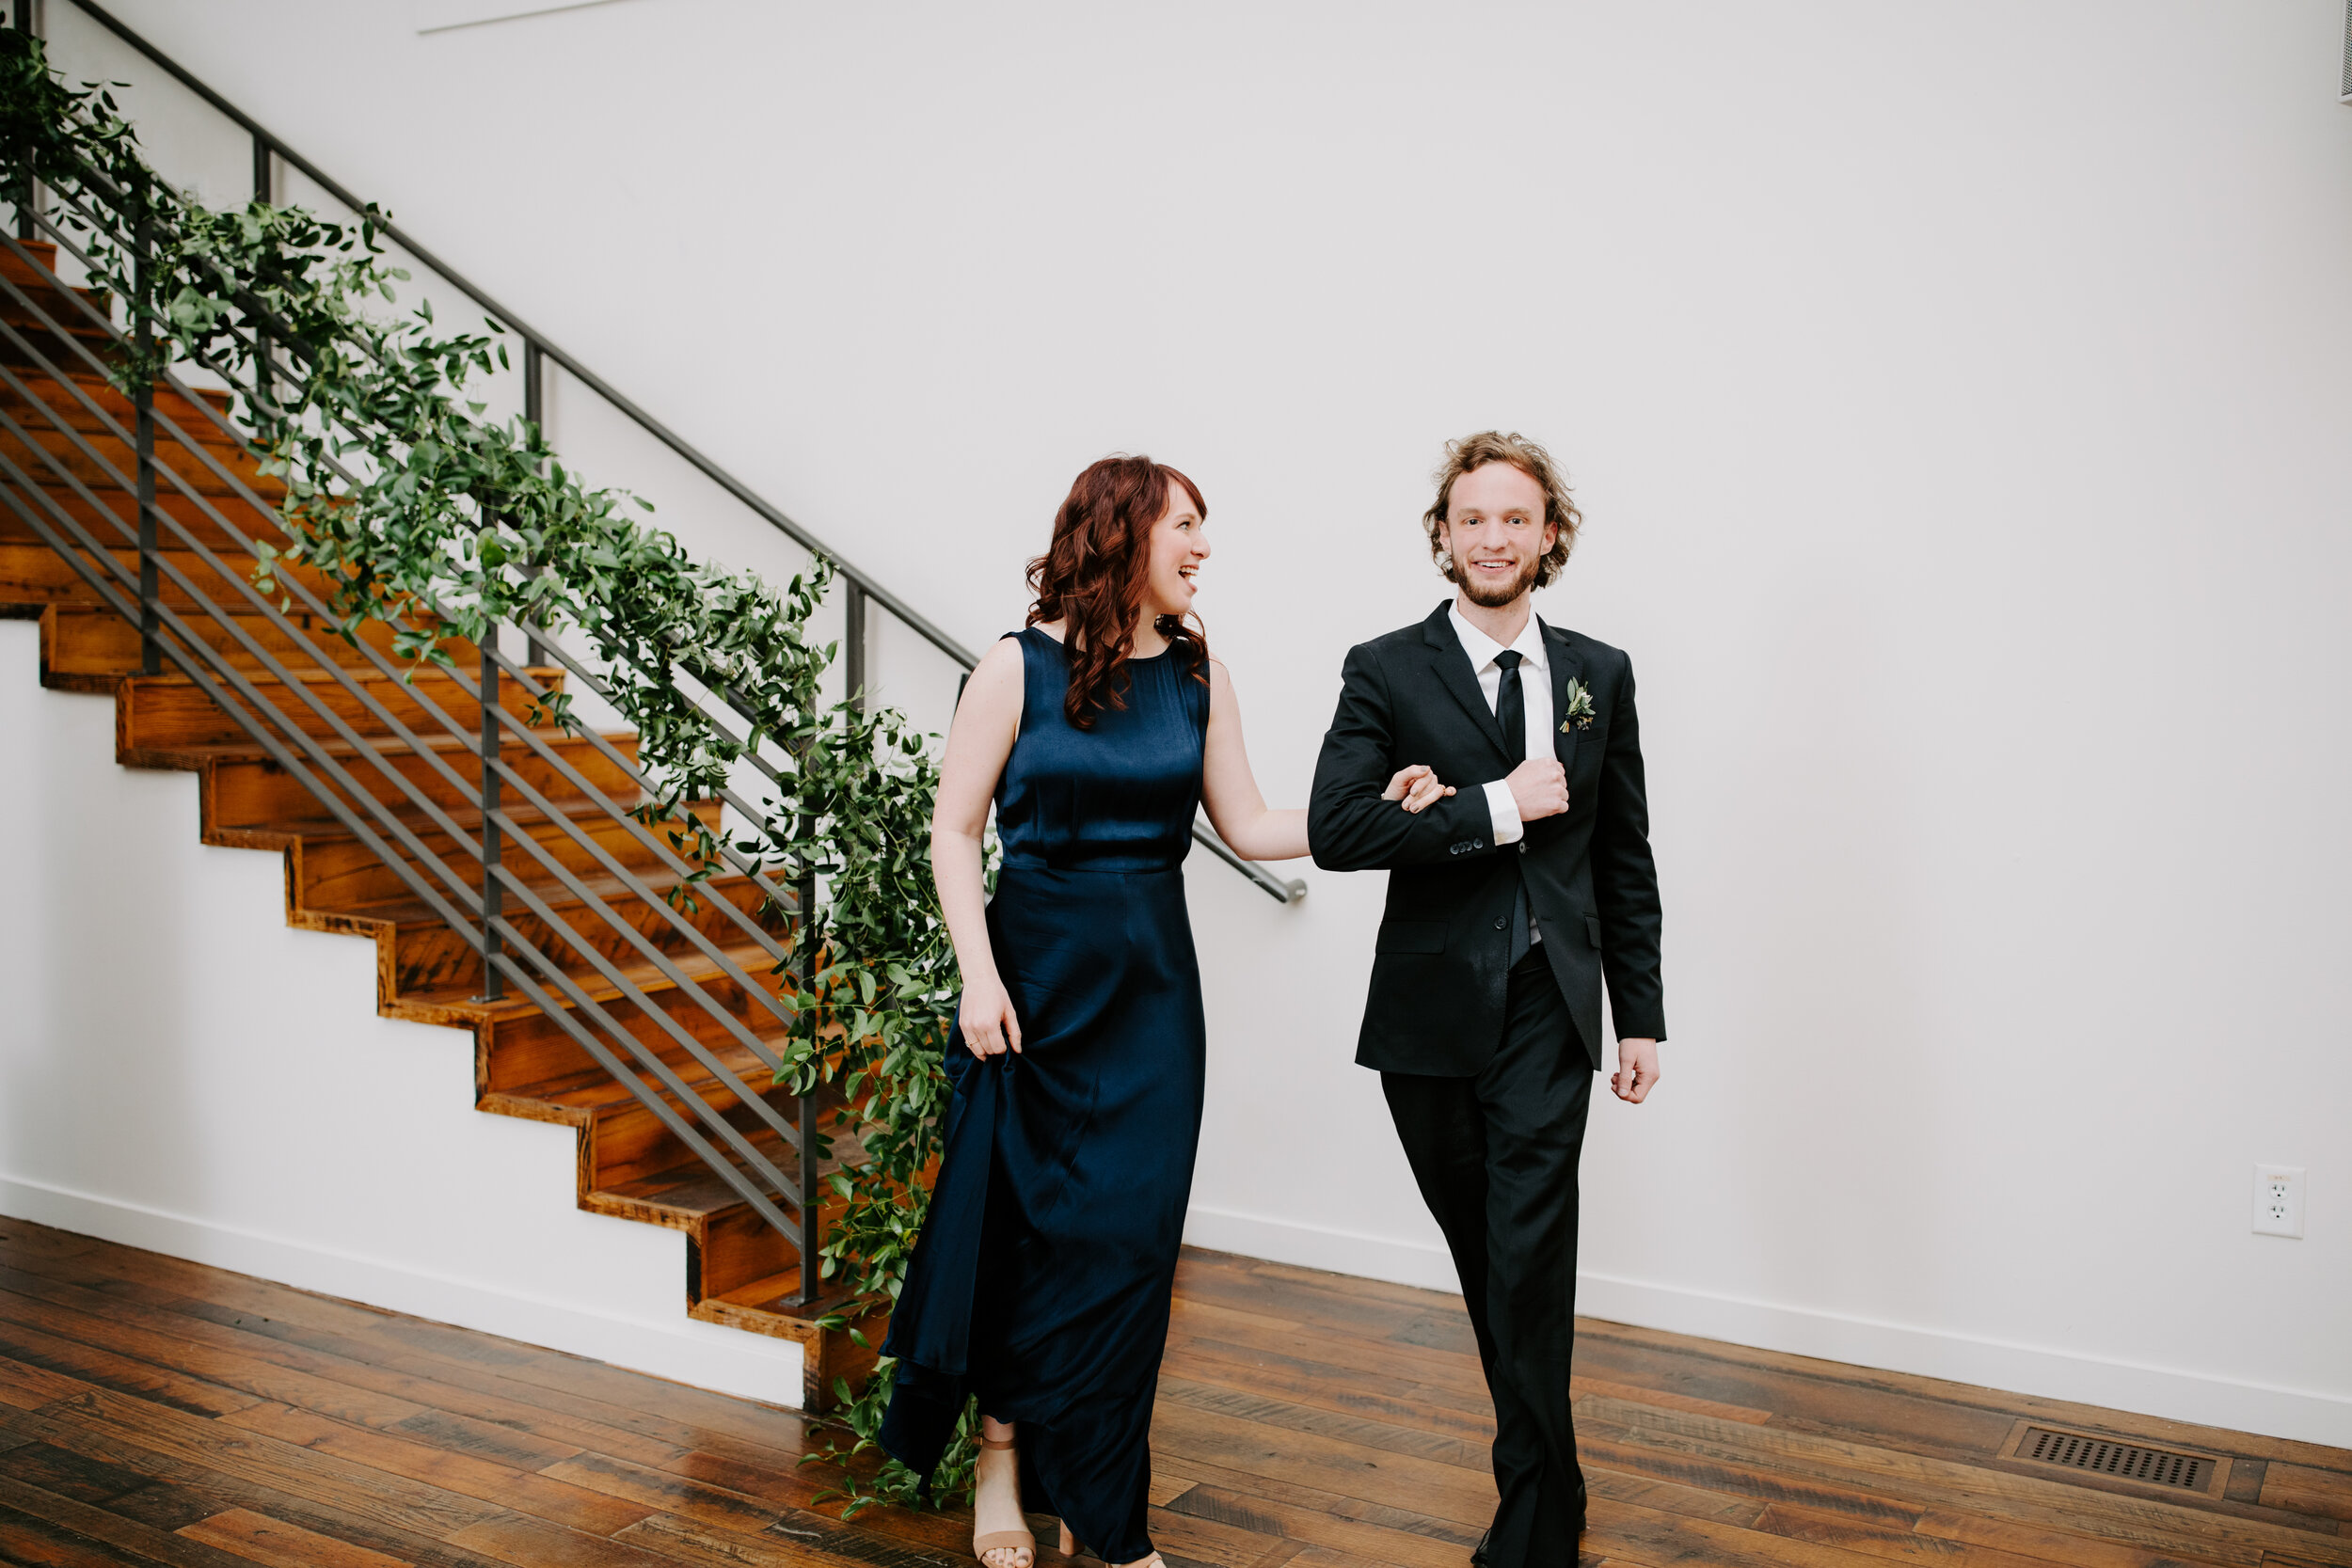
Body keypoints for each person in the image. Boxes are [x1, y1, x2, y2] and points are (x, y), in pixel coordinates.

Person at [879, 454, 1447, 1568]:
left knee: (1128, 1249)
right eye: (1186, 525)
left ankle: (1101, 1504)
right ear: (1121, 533)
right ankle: (999, 1462)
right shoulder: (1012, 666)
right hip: (1032, 987)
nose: (1202, 548)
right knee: (1025, 1233)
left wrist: (1373, 809)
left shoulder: (1199, 676)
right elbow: (953, 830)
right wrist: (977, 975)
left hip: (1151, 1001)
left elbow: (1249, 822)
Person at [1307, 431, 1666, 1568]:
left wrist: (1640, 1013)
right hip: (1426, 1019)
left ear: (1548, 533)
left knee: (1529, 1247)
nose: (1494, 537)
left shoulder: (1597, 672)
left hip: (1549, 1013)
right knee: (1485, 1256)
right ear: (1443, 535)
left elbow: (1623, 855)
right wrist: (1492, 804)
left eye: (1516, 518)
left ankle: (1534, 1518)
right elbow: (1336, 826)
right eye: (1474, 518)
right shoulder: (1385, 666)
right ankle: (1552, 1474)